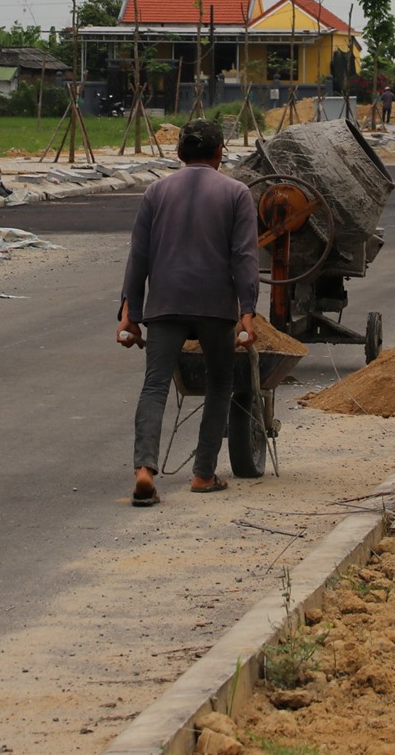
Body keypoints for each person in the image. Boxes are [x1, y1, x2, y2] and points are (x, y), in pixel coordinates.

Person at [118, 117, 262, 505]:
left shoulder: (155, 192)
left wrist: (129, 310)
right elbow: (244, 257)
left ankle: (145, 470)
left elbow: (139, 256)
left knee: (155, 384)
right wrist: (247, 310)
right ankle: (202, 474)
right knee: (219, 383)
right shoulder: (236, 193)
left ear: (179, 153)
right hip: (216, 306)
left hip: (165, 304)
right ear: (219, 154)